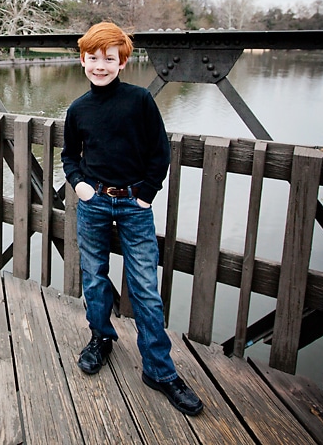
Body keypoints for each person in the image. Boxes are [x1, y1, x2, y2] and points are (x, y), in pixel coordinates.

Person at [61, 21, 204, 416]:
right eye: (93, 58)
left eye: (109, 59)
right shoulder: (78, 109)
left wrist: (146, 194)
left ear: (122, 62)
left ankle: (159, 370)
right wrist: (80, 185)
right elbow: (70, 155)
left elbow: (160, 151)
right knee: (94, 276)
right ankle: (101, 338)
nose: (100, 65)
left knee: (144, 286)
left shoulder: (140, 100)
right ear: (83, 60)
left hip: (133, 204)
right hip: (93, 202)